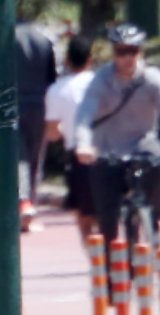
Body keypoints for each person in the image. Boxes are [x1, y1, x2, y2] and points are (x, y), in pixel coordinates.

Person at [75, 24, 160, 252]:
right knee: (108, 222)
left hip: (142, 145)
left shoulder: (153, 79)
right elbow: (84, 114)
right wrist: (83, 144)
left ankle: (153, 216)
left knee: (156, 158)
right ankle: (113, 277)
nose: (128, 57)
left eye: (133, 51)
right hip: (107, 151)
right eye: (122, 52)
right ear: (114, 54)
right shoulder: (101, 80)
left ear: (140, 52)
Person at [44, 34, 98, 247]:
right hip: (107, 149)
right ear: (90, 60)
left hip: (79, 156)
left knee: (84, 216)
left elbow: (52, 133)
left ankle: (96, 262)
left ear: (67, 61)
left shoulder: (57, 90)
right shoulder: (101, 83)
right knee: (107, 213)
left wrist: (66, 130)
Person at [16, 20, 58, 232]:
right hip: (40, 103)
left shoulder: (6, 37)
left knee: (18, 155)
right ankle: (29, 203)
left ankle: (22, 202)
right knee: (34, 158)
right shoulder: (46, 38)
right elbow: (53, 77)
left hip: (13, 101)